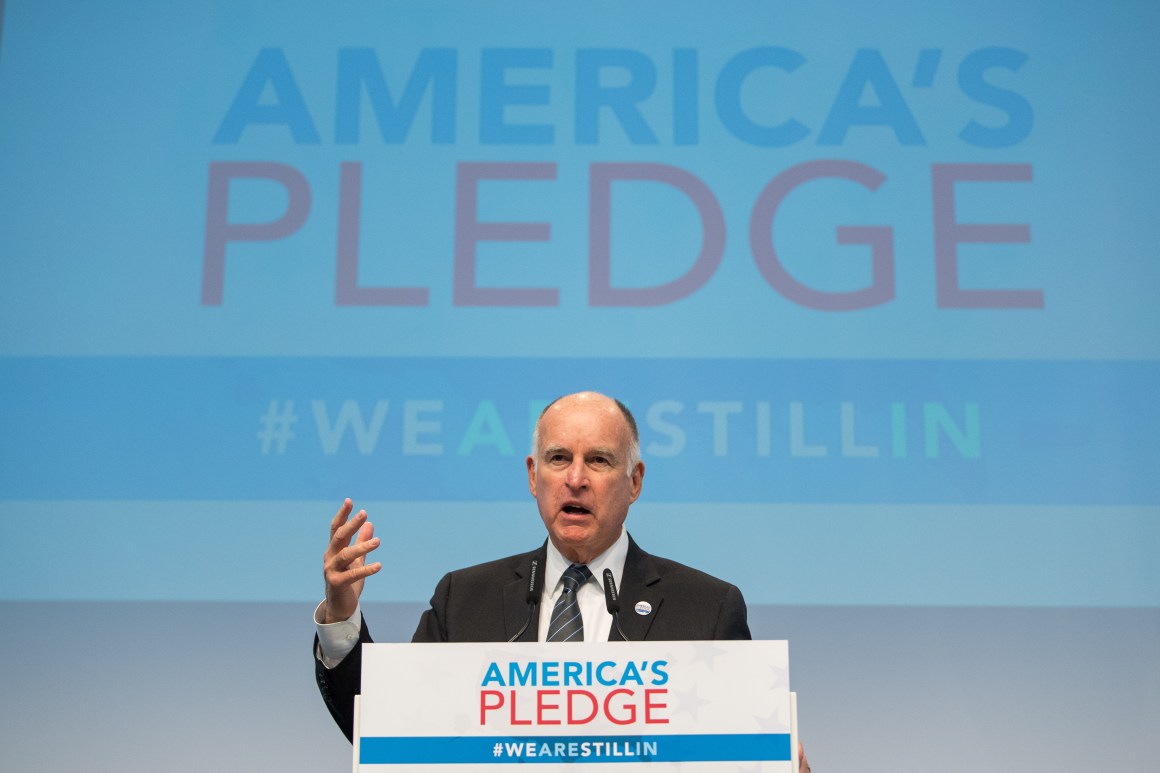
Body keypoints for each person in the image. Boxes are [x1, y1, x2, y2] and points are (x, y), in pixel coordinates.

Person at [314, 391, 809, 771]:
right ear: (533, 477)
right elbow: (391, 732)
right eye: (558, 459)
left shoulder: (707, 608)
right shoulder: (464, 599)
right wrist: (341, 618)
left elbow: (740, 753)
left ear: (634, 481)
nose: (575, 478)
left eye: (598, 460)